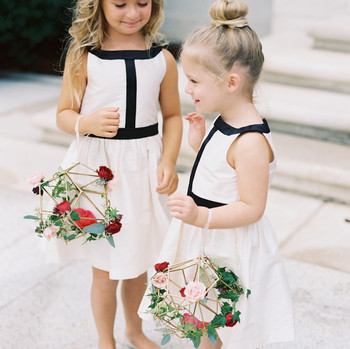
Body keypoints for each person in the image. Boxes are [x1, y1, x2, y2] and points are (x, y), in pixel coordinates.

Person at [148, 1, 295, 348]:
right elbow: (225, 175)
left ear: (231, 81)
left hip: (228, 241)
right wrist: (201, 146)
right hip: (207, 235)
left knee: (230, 323)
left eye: (195, 81)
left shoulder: (251, 143)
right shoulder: (226, 120)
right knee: (204, 318)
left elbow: (251, 206)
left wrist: (201, 215)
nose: (188, 89)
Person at [48, 0, 182, 348]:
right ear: (99, 5)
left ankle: (134, 331)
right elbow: (63, 112)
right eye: (120, 3)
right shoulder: (85, 56)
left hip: (143, 171)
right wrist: (85, 122)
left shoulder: (162, 60)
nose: (133, 13)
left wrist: (168, 160)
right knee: (106, 269)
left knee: (138, 262)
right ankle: (105, 340)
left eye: (142, 3)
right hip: (101, 174)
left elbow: (172, 116)